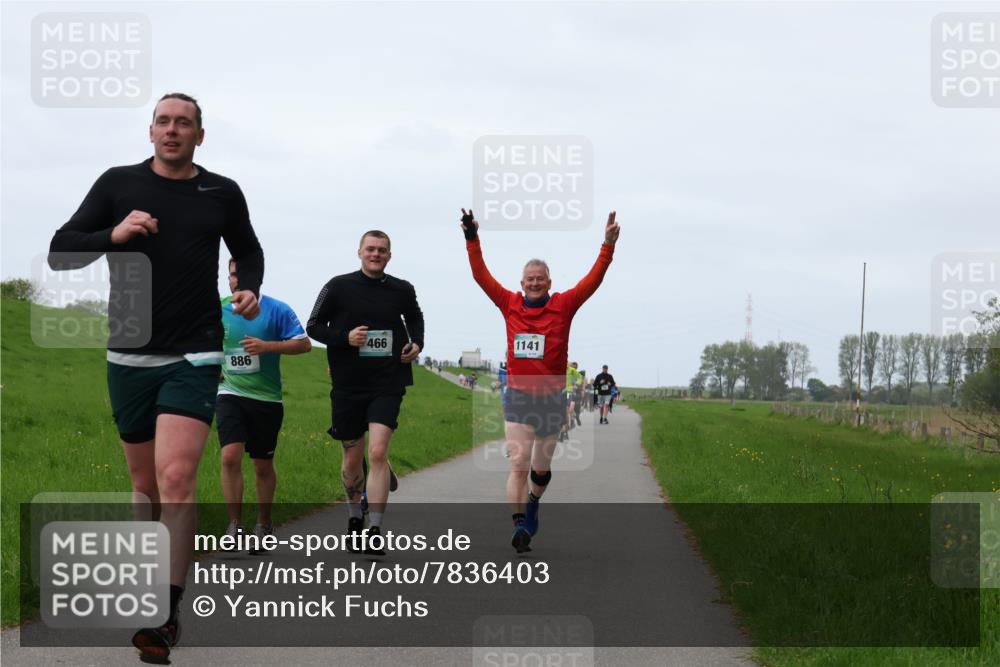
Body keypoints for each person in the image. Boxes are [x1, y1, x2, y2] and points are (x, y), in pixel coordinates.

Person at [47, 93, 264, 663]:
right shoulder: (117, 184)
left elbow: (249, 249)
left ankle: (164, 615)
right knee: (143, 485)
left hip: (195, 353)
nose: (173, 130)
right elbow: (60, 252)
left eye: (184, 123)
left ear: (200, 134)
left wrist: (250, 288)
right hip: (129, 354)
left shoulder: (222, 192)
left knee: (175, 477)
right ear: (150, 132)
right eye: (164, 121)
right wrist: (113, 236)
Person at [461, 208, 619, 553]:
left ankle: (533, 502)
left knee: (541, 470)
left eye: (540, 278)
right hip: (517, 397)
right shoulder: (509, 304)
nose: (534, 283)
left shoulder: (564, 305)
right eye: (529, 279)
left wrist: (607, 246)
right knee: (518, 462)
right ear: (522, 284)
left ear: (549, 282)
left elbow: (593, 280)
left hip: (550, 400)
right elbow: (480, 275)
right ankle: (519, 526)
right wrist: (472, 237)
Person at [306, 230, 423, 556]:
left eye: (382, 250)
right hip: (348, 383)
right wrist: (345, 338)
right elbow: (313, 326)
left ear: (389, 255)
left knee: (378, 453)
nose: (376, 254)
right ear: (359, 252)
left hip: (388, 381)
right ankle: (355, 516)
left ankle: (374, 528)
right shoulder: (337, 286)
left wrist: (417, 343)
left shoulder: (402, 289)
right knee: (352, 458)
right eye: (370, 249)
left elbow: (415, 317)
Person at [216, 258, 310, 550]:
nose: (237, 280)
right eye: (233, 275)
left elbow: (303, 343)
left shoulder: (277, 309)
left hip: (267, 398)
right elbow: (196, 341)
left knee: (261, 465)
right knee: (230, 456)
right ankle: (234, 526)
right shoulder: (215, 309)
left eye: (243, 275)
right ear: (228, 279)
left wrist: (267, 346)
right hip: (229, 393)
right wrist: (211, 365)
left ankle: (264, 522)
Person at [561, 362, 583, 441]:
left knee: (567, 411)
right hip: (558, 392)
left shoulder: (572, 370)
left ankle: (565, 431)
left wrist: (576, 384)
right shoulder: (559, 370)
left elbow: (580, 377)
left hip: (569, 392)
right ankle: (564, 430)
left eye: (566, 363)